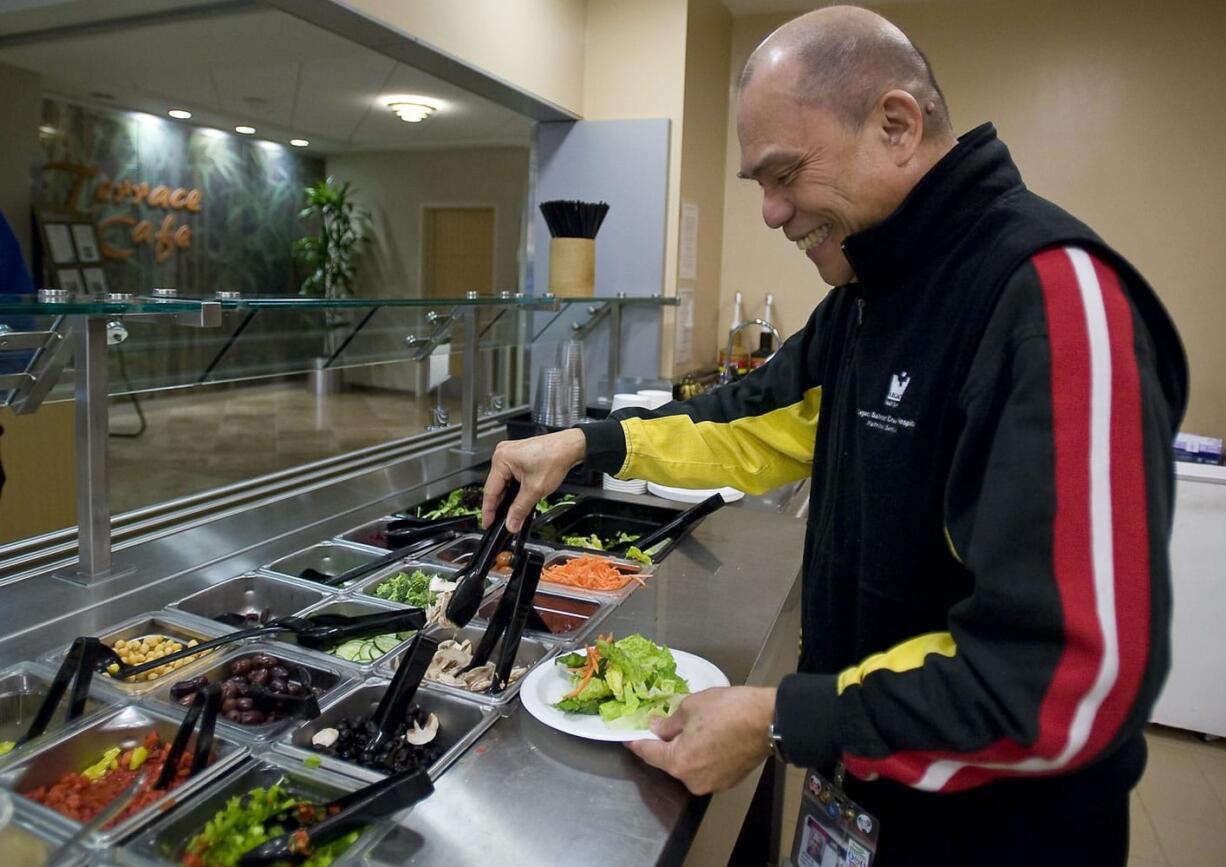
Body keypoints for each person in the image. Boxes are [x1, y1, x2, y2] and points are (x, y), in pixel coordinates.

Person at [483, 7, 1187, 866]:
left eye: (785, 174)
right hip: (868, 791)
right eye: (760, 186)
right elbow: (744, 419)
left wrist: (788, 714)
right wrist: (584, 445)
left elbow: (1068, 678)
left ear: (896, 123)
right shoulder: (865, 297)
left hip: (997, 829)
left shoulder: (1050, 301)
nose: (775, 213)